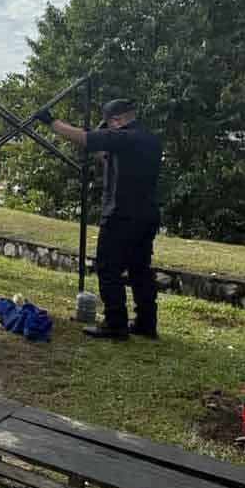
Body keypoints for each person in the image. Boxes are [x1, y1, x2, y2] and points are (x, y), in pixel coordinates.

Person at [35, 98, 162, 340]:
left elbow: (86, 138)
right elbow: (109, 157)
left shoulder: (124, 137)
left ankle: (115, 324)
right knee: (139, 270)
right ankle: (146, 322)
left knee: (108, 267)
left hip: (121, 214)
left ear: (116, 120)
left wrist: (51, 121)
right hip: (147, 215)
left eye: (108, 125)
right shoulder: (149, 138)